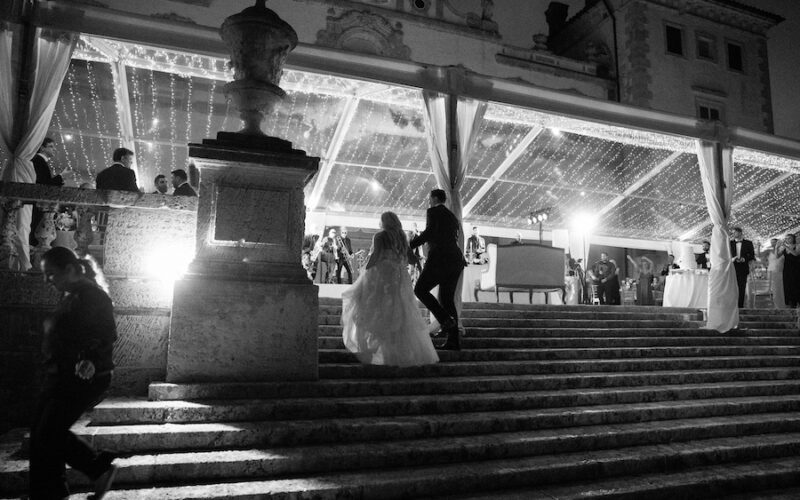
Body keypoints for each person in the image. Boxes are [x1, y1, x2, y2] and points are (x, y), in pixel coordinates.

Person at [30, 247, 118, 500]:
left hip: (80, 378)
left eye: (51, 273)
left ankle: (98, 468)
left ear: (69, 269)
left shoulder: (93, 296)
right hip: (59, 375)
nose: (48, 280)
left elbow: (105, 334)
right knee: (40, 437)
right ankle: (51, 493)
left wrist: (88, 358)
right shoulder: (74, 295)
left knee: (48, 433)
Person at [341, 212, 439, 366]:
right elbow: (411, 258)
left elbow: (376, 256)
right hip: (399, 277)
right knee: (399, 310)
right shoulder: (402, 237)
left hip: (381, 275)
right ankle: (395, 353)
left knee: (371, 307)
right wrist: (420, 267)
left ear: (384, 222)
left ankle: (373, 347)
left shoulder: (380, 236)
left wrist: (364, 270)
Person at [411, 189, 466, 350]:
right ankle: (453, 340)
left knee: (420, 289)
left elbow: (429, 233)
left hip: (440, 259)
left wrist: (409, 245)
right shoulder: (452, 216)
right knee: (448, 299)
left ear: (434, 198)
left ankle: (445, 320)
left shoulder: (433, 211)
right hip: (456, 260)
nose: (429, 201)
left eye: (430, 198)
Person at [30, 138, 65, 245]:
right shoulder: (39, 161)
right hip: (39, 204)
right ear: (42, 148)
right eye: (51, 146)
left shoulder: (40, 161)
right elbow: (45, 184)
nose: (54, 149)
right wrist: (61, 176)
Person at [730, 227, 756, 308]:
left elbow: (752, 255)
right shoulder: (729, 243)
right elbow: (726, 255)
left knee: (742, 287)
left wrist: (744, 259)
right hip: (732, 267)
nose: (733, 234)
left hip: (743, 268)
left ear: (740, 233)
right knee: (732, 287)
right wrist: (733, 259)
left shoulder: (748, 243)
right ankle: (732, 305)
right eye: (732, 232)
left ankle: (740, 305)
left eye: (735, 232)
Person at [779, 234, 800, 308]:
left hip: (796, 269)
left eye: (789, 238)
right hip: (787, 269)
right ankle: (790, 302)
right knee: (787, 285)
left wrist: (786, 246)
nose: (787, 239)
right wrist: (776, 247)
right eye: (786, 238)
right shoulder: (784, 248)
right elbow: (777, 256)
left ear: (793, 238)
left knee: (795, 285)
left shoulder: (797, 245)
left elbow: (796, 254)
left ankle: (796, 301)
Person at [767, 238, 786, 309]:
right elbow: (760, 256)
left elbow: (777, 256)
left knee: (779, 288)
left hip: (779, 270)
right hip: (771, 271)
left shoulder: (782, 250)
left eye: (774, 242)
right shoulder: (769, 251)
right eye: (771, 242)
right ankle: (776, 305)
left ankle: (780, 305)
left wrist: (777, 247)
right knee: (774, 289)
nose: (773, 244)